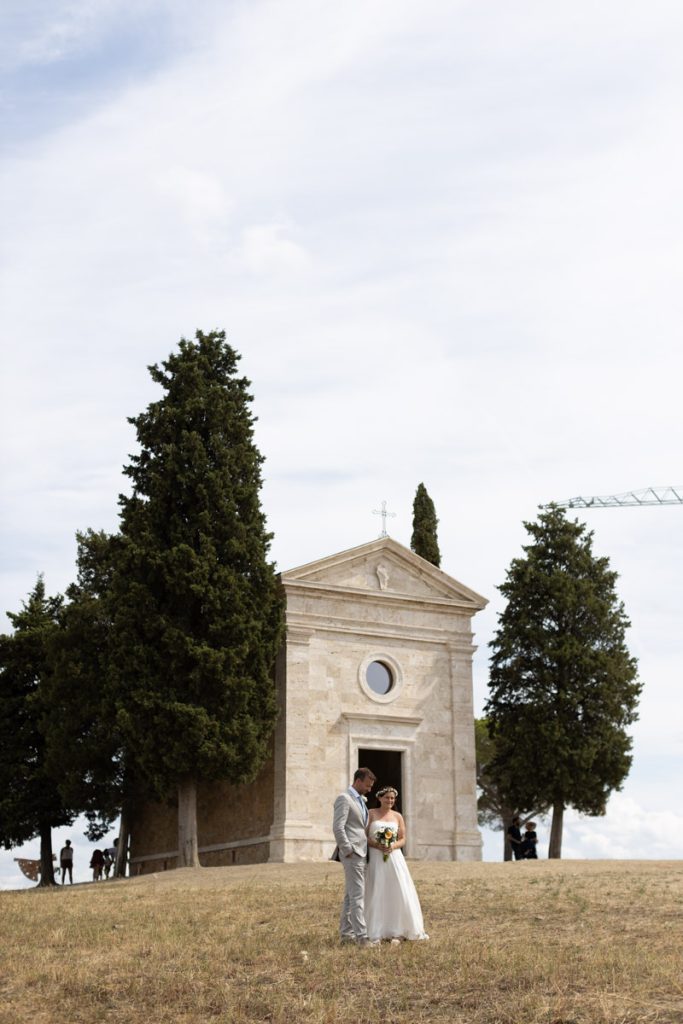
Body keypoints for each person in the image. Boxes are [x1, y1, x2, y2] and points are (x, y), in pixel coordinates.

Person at [364, 786, 429, 942]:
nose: (390, 801)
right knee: (378, 889)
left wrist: (392, 846)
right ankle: (376, 929)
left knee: (397, 888)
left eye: (392, 798)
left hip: (394, 857)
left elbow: (403, 838)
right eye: (387, 797)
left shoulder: (398, 816)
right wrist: (377, 844)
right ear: (379, 798)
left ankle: (399, 929)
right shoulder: (371, 813)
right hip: (376, 856)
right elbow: (364, 836)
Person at [332, 767, 377, 946]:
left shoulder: (360, 801)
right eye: (367, 785)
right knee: (358, 895)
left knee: (351, 896)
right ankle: (362, 938)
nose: (369, 789)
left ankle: (346, 935)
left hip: (361, 852)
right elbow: (338, 827)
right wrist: (347, 849)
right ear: (358, 781)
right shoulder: (344, 799)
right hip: (353, 854)